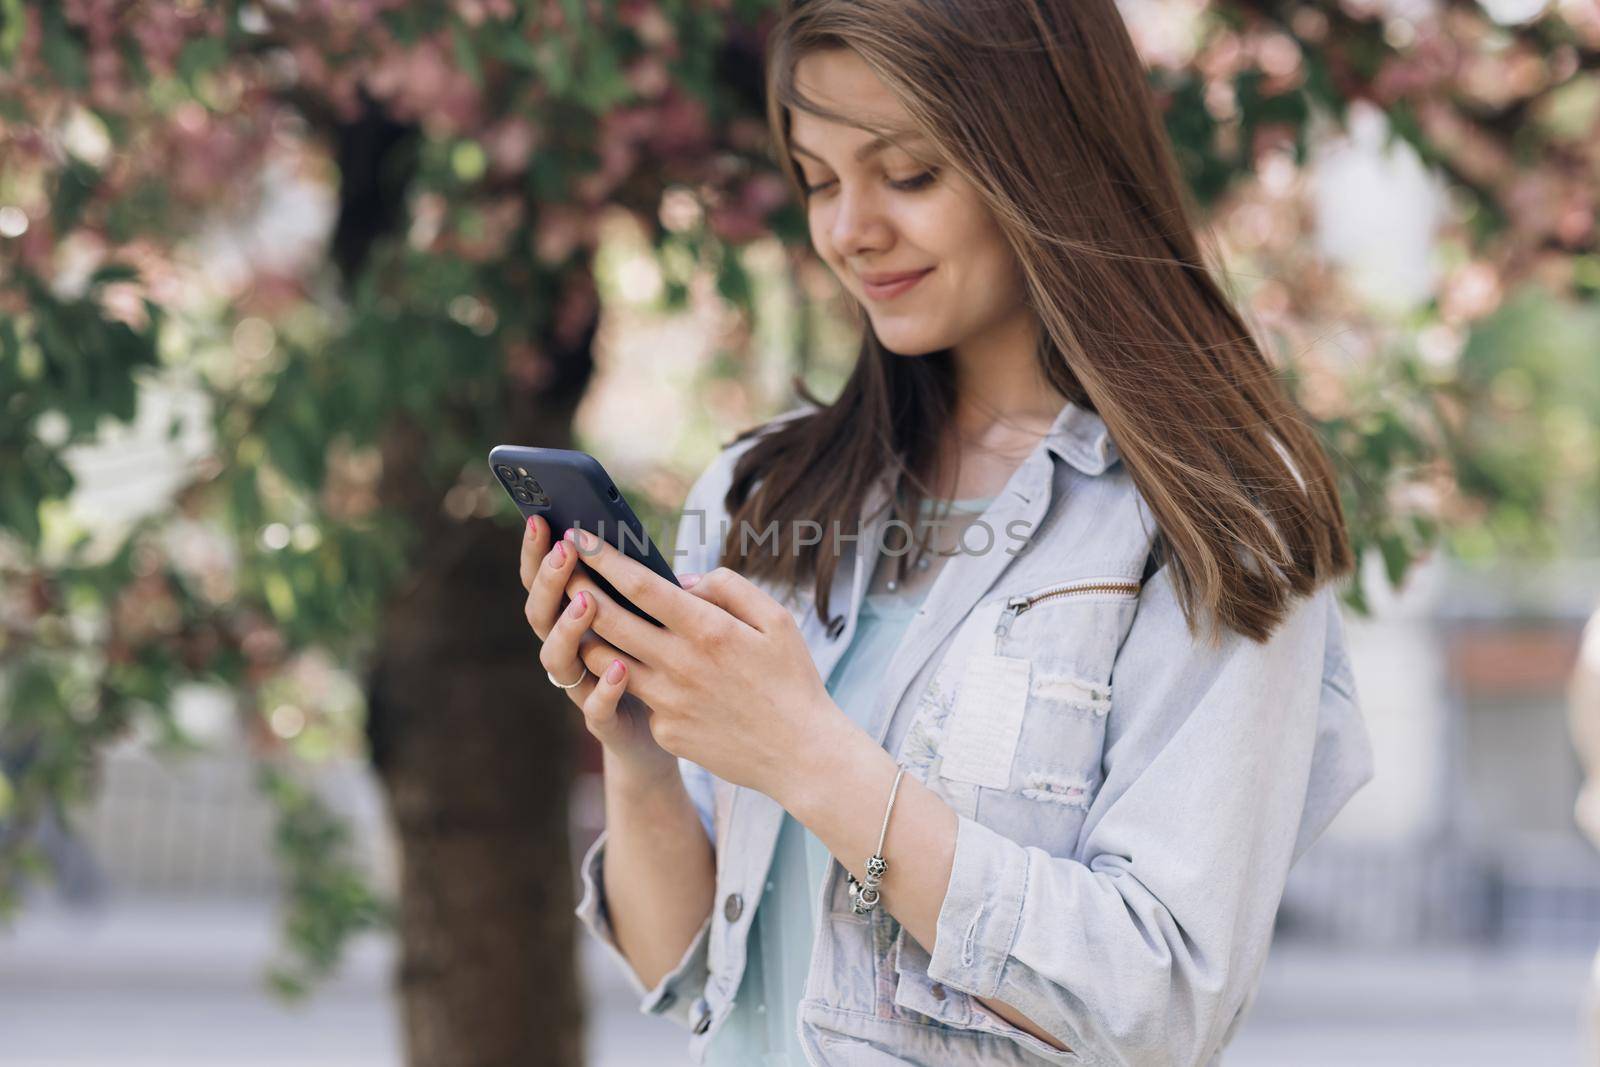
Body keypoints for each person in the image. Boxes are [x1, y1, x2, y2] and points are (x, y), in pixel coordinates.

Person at [517, 1, 1375, 1063]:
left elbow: (1156, 1003)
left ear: (1044, 157)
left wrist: (806, 755)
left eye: (908, 174)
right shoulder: (761, 491)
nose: (849, 230)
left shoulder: (1211, 515)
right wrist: (638, 741)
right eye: (820, 180)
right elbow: (681, 968)